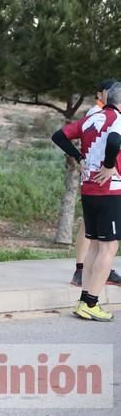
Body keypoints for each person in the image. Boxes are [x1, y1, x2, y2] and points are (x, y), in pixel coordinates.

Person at [52, 83, 121, 321]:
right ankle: (92, 303)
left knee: (94, 246)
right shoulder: (117, 119)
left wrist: (79, 156)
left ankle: (84, 300)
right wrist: (110, 165)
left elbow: (58, 136)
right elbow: (113, 142)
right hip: (109, 191)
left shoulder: (92, 118)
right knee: (109, 248)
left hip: (88, 188)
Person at [70, 78, 121, 287]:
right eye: (109, 90)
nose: (112, 93)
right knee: (91, 232)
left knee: (97, 237)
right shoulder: (98, 114)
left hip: (97, 181)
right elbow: (110, 141)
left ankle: (94, 274)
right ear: (100, 94)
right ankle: (81, 271)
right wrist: (83, 159)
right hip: (100, 183)